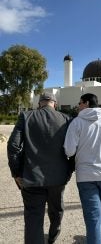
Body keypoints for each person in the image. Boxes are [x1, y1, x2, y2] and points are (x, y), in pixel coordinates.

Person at [7, 92, 73, 244]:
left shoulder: (26, 116)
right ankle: (52, 236)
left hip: (31, 177)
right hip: (58, 178)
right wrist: (69, 170)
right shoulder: (67, 119)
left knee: (33, 218)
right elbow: (74, 149)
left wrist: (16, 173)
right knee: (56, 209)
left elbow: (13, 146)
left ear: (39, 103)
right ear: (54, 104)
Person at [64, 93, 101, 244]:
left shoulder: (77, 123)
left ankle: (95, 239)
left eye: (80, 103)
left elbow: (69, 151)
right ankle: (95, 237)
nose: (78, 106)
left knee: (93, 215)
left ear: (87, 103)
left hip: (86, 176)